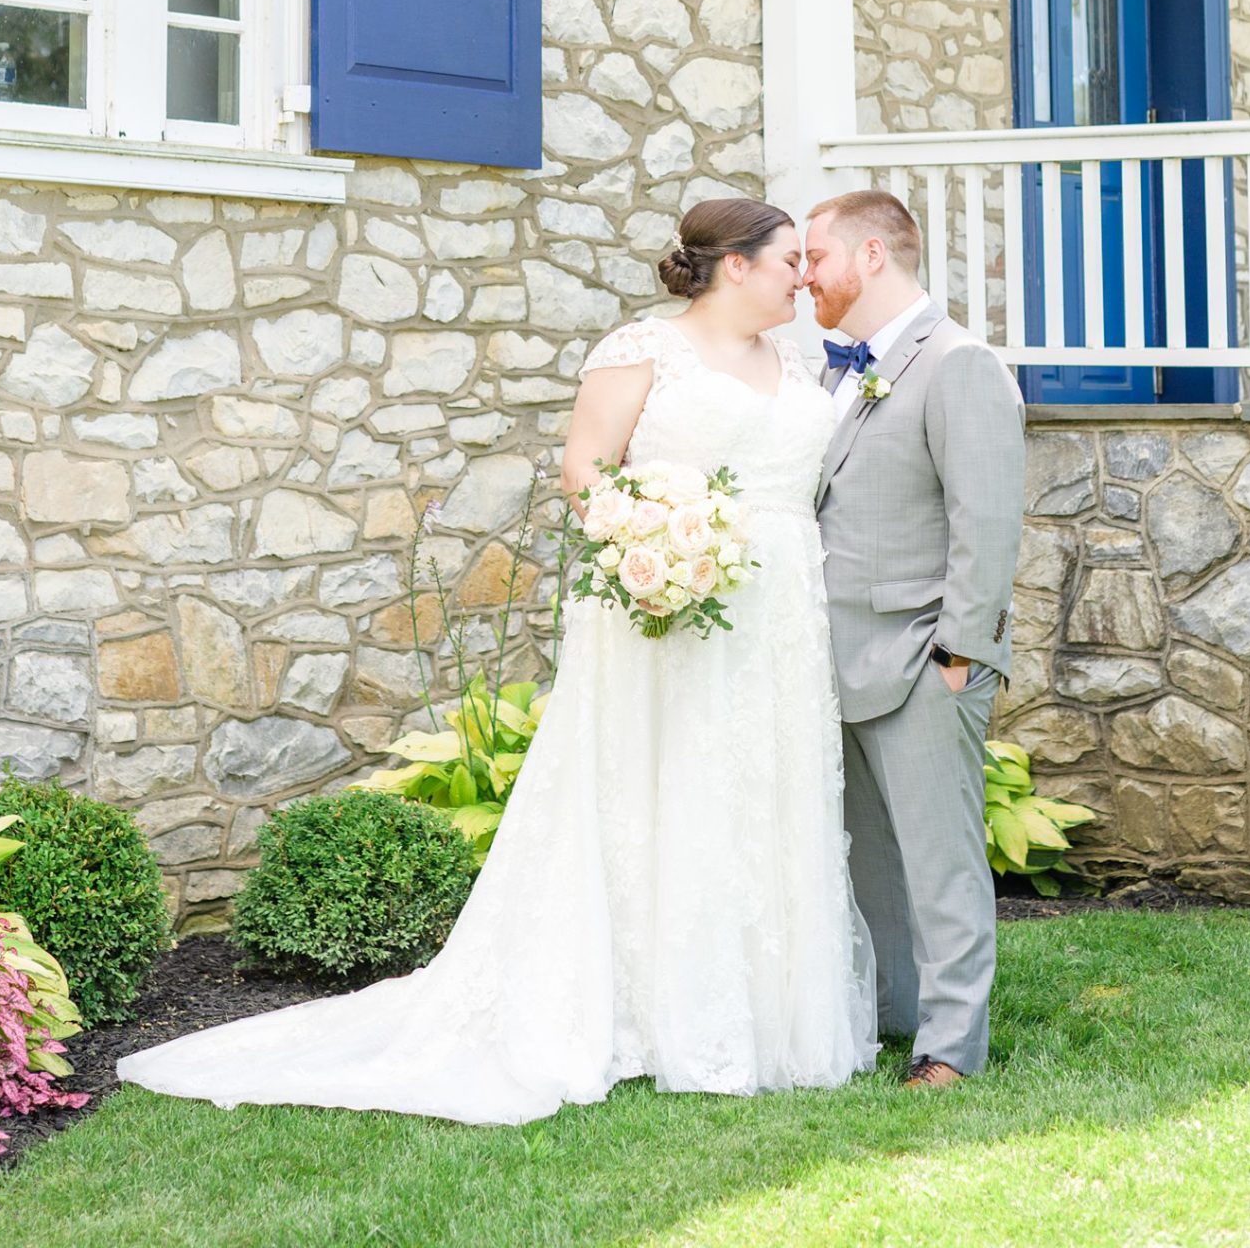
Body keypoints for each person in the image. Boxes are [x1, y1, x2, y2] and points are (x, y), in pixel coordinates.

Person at [119, 195, 876, 1123]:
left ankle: (765, 1016)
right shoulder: (641, 350)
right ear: (734, 264)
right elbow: (583, 470)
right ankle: (650, 1011)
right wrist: (665, 548)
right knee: (667, 785)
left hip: (782, 611)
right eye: (791, 258)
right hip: (675, 604)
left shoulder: (788, 361)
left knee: (763, 789)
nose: (805, 275)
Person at [803, 188, 1025, 1092]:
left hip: (922, 657)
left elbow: (988, 520)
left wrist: (958, 655)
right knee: (872, 861)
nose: (803, 274)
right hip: (834, 654)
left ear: (869, 257)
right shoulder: (837, 369)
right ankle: (896, 1014)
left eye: (815, 255)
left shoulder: (958, 363)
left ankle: (950, 1047)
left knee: (940, 863)